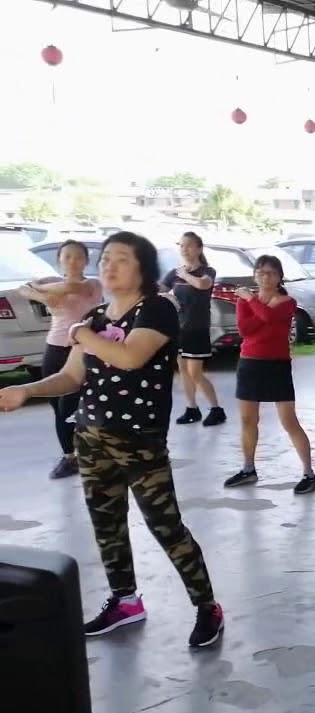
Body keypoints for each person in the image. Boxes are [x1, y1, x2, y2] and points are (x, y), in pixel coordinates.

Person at [0, 231, 224, 647]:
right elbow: (71, 377)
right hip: (90, 435)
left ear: (142, 268)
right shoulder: (98, 317)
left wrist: (83, 334)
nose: (108, 265)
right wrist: (26, 390)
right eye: (105, 258)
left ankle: (207, 606)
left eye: (120, 258)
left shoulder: (156, 309)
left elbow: (130, 356)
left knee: (165, 525)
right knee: (107, 525)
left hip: (139, 439)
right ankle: (125, 601)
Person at [223, 255, 315, 495]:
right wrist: (257, 304)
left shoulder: (287, 301)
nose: (266, 277)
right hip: (249, 363)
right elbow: (245, 330)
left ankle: (309, 473)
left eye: (271, 273)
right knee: (247, 419)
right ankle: (248, 468)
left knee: (289, 420)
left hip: (277, 365)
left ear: (279, 277)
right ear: (255, 275)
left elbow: (267, 318)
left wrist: (252, 300)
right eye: (261, 272)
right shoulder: (247, 301)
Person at [18, 240, 103, 479]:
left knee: (70, 406)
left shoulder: (92, 284)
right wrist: (42, 296)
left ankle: (78, 455)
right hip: (54, 348)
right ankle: (70, 453)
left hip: (82, 350)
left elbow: (71, 289)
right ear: (59, 260)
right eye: (67, 257)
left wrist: (41, 290)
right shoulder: (51, 282)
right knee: (57, 406)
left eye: (78, 257)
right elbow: (22, 289)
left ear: (86, 261)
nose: (73, 261)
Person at [162, 232, 226, 428]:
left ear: (199, 248)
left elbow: (202, 284)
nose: (184, 249)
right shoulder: (175, 272)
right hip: (179, 328)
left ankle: (216, 409)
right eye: (181, 246)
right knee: (183, 370)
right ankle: (192, 408)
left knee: (195, 372)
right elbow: (159, 290)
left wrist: (185, 275)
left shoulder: (207, 271)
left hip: (197, 328)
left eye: (189, 245)